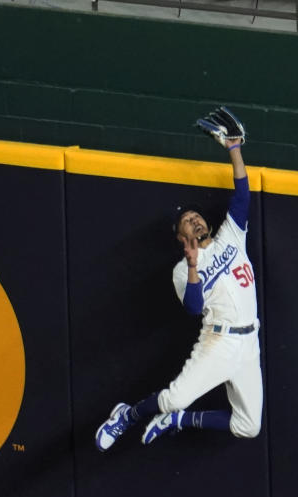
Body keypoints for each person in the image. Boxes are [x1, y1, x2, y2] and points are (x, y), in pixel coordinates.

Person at [95, 107, 263, 450]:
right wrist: (190, 268)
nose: (196, 220)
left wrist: (234, 149)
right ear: (180, 234)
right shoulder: (182, 268)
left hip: (249, 342)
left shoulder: (231, 235)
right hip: (219, 342)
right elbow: (193, 308)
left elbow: (243, 195)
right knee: (173, 397)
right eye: (188, 220)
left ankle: (179, 421)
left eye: (197, 216)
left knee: (249, 426)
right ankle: (127, 415)